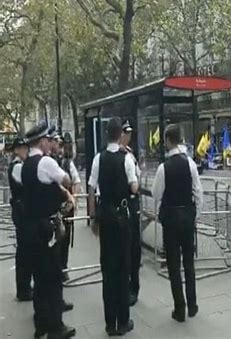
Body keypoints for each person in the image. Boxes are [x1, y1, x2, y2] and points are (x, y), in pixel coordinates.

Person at [21, 121, 76, 339]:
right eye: (48, 140)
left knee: (40, 278)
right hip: (47, 229)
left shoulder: (25, 165)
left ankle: (41, 323)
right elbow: (67, 179)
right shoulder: (45, 163)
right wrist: (62, 190)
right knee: (52, 277)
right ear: (42, 141)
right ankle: (56, 327)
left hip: (30, 228)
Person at [88, 117, 138, 336]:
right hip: (122, 217)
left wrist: (93, 217)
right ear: (119, 135)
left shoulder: (98, 158)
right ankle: (123, 320)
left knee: (108, 270)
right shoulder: (126, 158)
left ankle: (110, 323)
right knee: (123, 268)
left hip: (105, 217)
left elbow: (91, 189)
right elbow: (134, 187)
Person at [152, 124, 202, 323]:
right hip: (187, 218)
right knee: (189, 262)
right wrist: (195, 215)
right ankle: (193, 304)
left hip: (171, 221)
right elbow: (198, 192)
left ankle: (179, 308)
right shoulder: (190, 164)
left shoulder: (163, 168)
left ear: (167, 140)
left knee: (174, 265)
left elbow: (156, 193)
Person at [8, 137, 33, 301]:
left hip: (22, 210)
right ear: (16, 150)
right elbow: (28, 184)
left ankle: (24, 285)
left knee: (25, 250)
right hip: (21, 211)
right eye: (22, 148)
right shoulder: (17, 167)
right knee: (24, 251)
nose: (25, 151)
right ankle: (23, 288)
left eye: (26, 147)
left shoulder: (20, 165)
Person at [120, 120, 141, 306]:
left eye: (130, 134)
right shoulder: (119, 156)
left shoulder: (130, 154)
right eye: (126, 134)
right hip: (126, 202)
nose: (129, 137)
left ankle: (134, 286)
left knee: (134, 248)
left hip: (133, 205)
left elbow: (139, 174)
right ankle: (126, 286)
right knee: (126, 248)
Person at [57, 133, 82, 282]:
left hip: (66, 207)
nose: (63, 149)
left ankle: (63, 268)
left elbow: (77, 182)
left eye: (65, 145)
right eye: (61, 145)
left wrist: (73, 200)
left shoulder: (67, 163)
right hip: (53, 208)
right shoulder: (47, 161)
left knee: (65, 239)